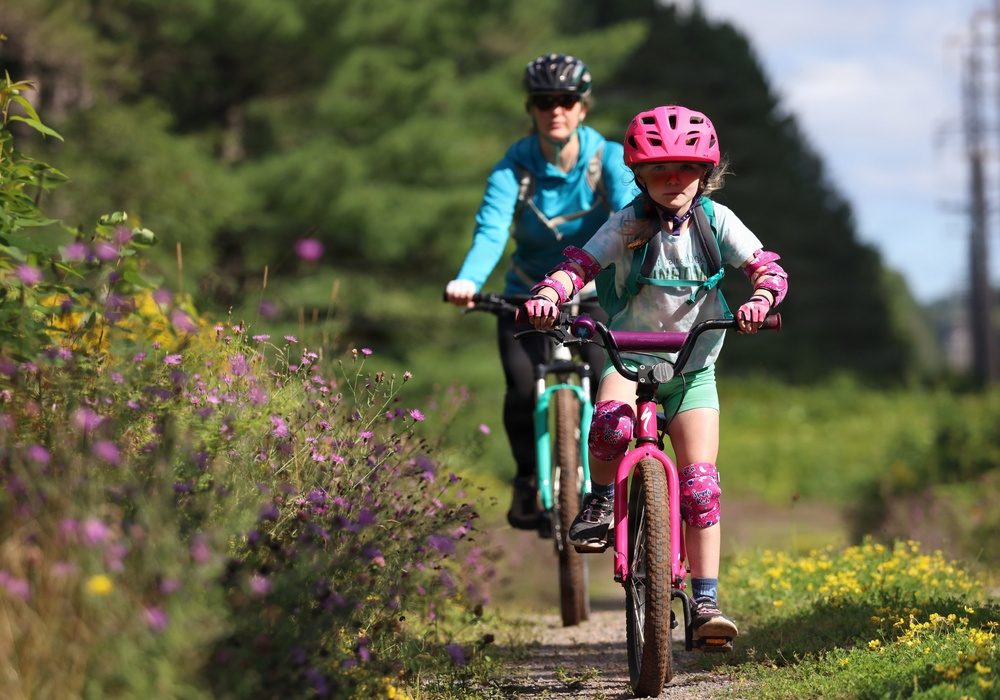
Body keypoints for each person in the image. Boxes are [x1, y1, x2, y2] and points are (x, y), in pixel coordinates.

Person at [523, 105, 788, 647]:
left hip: (692, 369)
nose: (673, 180)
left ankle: (706, 602)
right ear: (639, 172)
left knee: (700, 486)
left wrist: (761, 299)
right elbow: (579, 266)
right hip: (629, 360)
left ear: (706, 173)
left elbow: (767, 268)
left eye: (687, 168)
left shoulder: (718, 222)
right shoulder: (627, 222)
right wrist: (550, 294)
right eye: (660, 168)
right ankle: (599, 500)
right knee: (610, 427)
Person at [445, 54, 638, 531]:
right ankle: (529, 479)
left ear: (583, 107)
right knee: (519, 390)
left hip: (596, 293)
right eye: (545, 101)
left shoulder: (606, 158)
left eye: (567, 101)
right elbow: (491, 231)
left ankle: (611, 492)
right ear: (531, 108)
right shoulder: (513, 168)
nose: (557, 110)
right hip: (526, 296)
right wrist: (469, 279)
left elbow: (630, 217)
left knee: (611, 392)